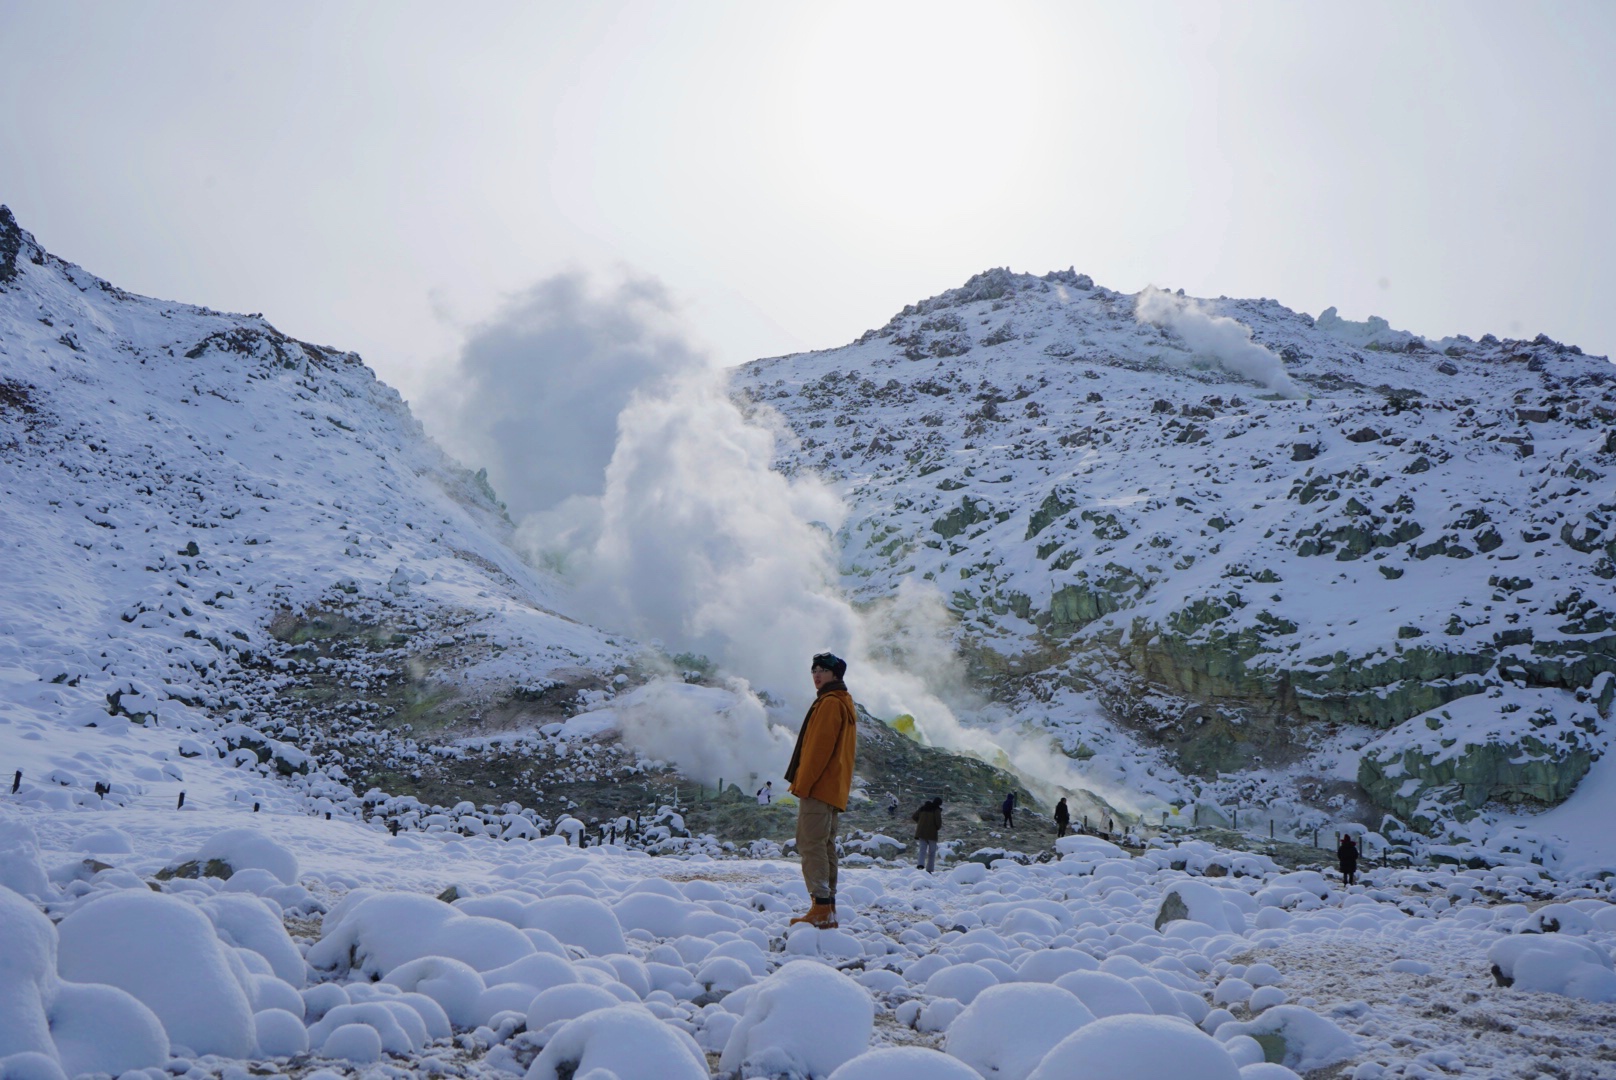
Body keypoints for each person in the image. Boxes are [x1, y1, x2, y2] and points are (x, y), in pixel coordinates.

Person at [785, 652, 857, 929]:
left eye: (822, 670)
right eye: (813, 670)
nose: (816, 675)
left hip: (818, 786)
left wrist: (803, 784)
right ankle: (828, 906)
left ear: (835, 675)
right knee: (825, 844)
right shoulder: (843, 702)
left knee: (810, 842)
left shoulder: (829, 704)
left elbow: (817, 750)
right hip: (832, 789)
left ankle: (821, 907)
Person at [912, 798, 942, 873]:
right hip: (932, 834)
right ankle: (929, 869)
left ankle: (920, 865)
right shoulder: (936, 810)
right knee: (931, 852)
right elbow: (938, 823)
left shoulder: (923, 808)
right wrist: (936, 827)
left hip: (921, 832)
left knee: (922, 850)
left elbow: (914, 816)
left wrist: (920, 823)